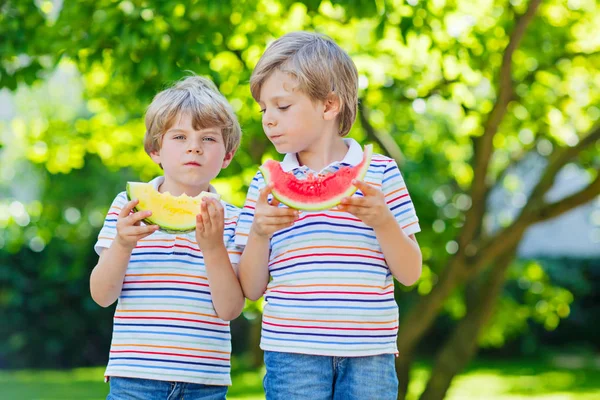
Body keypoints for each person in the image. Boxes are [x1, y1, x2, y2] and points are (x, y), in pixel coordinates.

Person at [235, 32, 423, 400]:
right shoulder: (265, 184)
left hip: (369, 352)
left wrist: (383, 221)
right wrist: (257, 235)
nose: (268, 120)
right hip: (292, 352)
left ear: (329, 104)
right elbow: (252, 289)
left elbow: (411, 272)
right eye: (263, 110)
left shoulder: (380, 174)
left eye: (282, 107)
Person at [90, 75, 244, 400]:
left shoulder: (232, 218)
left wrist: (213, 247)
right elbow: (102, 295)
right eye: (179, 136)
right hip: (134, 377)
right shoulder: (128, 207)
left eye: (209, 139)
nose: (194, 147)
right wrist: (122, 244)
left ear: (227, 156)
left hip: (205, 382)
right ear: (154, 150)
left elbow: (230, 308)